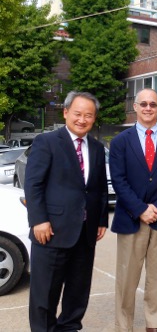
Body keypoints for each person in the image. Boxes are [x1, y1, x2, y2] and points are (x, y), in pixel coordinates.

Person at [25, 91, 109, 332]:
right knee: (45, 296)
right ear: (66, 112)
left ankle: (70, 328)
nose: (82, 120)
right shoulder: (47, 142)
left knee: (77, 293)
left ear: (94, 118)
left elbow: (99, 188)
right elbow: (34, 184)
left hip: (85, 233)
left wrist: (101, 219)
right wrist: (38, 220)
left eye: (89, 115)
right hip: (50, 232)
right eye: (78, 114)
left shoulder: (95, 147)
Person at [110, 88, 157, 332]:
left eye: (153, 104)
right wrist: (141, 209)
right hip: (132, 219)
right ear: (135, 107)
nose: (148, 108)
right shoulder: (120, 142)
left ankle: (154, 323)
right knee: (126, 278)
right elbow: (119, 181)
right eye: (143, 104)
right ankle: (124, 325)